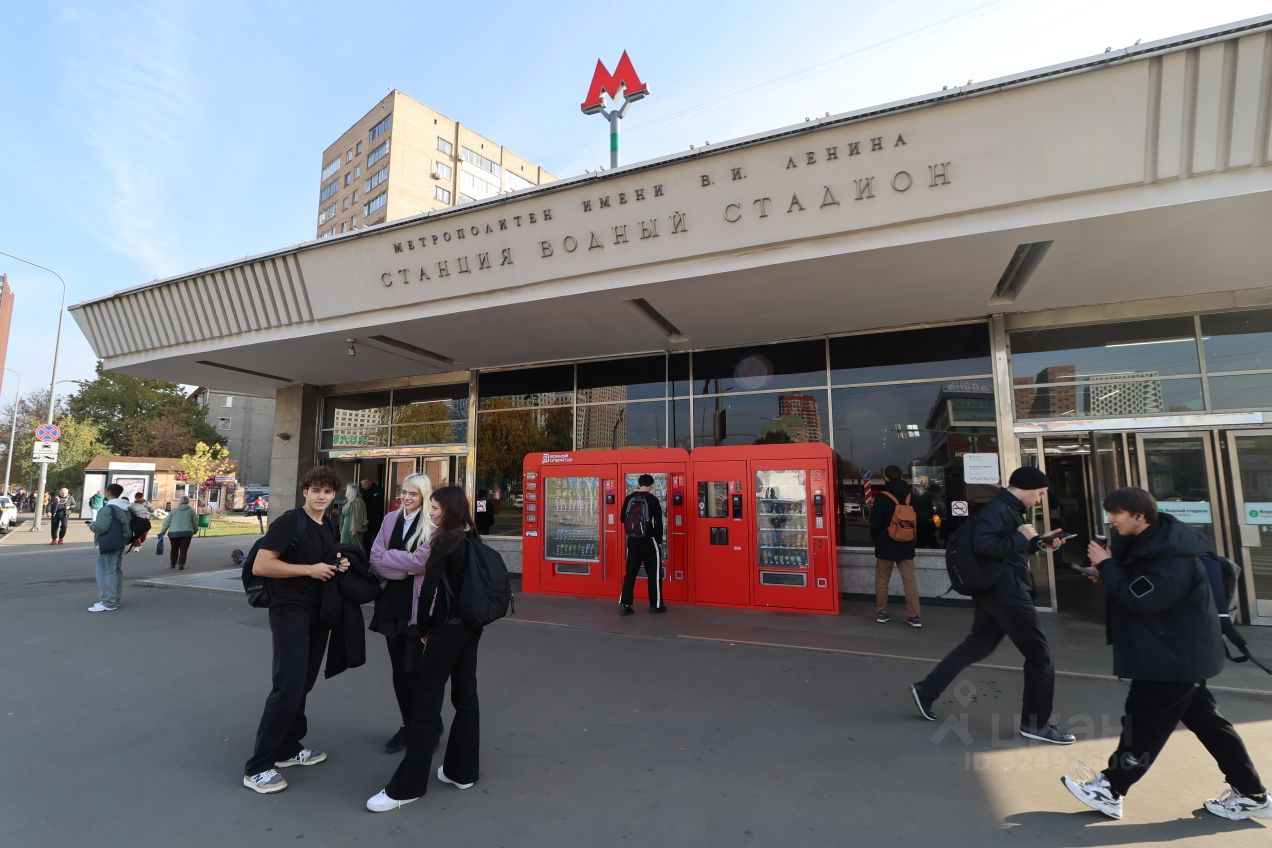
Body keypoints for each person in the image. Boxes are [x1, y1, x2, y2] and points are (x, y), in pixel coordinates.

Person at [1061, 487, 1270, 821]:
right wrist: (1108, 572)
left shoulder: (1173, 557)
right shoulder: (1153, 542)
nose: (1110, 520)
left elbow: (1142, 599)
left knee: (1143, 724)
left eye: (1116, 514)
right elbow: (1139, 584)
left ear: (1139, 516)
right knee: (1209, 724)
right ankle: (1251, 793)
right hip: (1176, 653)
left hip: (1172, 657)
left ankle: (1111, 788)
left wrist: (1108, 565)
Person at [911, 467, 1075, 744]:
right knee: (1040, 656)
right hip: (1007, 592)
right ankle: (1035, 724)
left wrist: (1039, 543)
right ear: (1024, 487)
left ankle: (926, 690)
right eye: (1039, 493)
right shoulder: (997, 510)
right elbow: (985, 547)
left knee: (977, 646)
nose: (1039, 499)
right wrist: (1020, 537)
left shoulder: (1008, 510)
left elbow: (1007, 551)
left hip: (997, 590)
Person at [367, 486, 482, 813]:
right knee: (466, 696)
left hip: (445, 630)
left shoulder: (442, 541)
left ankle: (407, 787)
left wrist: (425, 629)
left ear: (449, 510)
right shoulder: (471, 537)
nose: (431, 514)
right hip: (471, 627)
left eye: (435, 508)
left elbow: (428, 591)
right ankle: (463, 771)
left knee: (426, 702)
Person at [243, 466, 350, 795]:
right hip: (290, 611)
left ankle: (288, 747)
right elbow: (263, 564)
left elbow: (321, 560)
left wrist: (338, 564)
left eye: (328, 492)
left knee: (303, 683)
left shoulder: (328, 523)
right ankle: (258, 767)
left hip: (317, 612)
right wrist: (308, 570)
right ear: (305, 491)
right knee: (288, 686)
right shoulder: (290, 521)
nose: (322, 497)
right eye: (316, 490)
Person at [369, 473, 434, 754]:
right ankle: (409, 725)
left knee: (413, 670)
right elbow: (375, 558)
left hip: (418, 606)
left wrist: (394, 561)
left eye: (413, 494)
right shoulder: (389, 519)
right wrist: (403, 568)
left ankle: (428, 726)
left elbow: (423, 563)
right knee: (398, 670)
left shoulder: (432, 523)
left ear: (424, 496)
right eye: (404, 492)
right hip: (392, 603)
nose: (406, 498)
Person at [870, 465, 922, 627]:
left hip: (886, 545)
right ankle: (914, 616)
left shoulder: (882, 497)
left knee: (882, 580)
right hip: (906, 545)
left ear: (886, 478)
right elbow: (920, 519)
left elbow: (875, 523)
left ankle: (882, 613)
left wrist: (876, 539)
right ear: (901, 476)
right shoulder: (911, 496)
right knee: (909, 581)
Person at [618, 474, 666, 616]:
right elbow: (658, 523)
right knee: (654, 573)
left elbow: (622, 519)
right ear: (651, 485)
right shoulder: (652, 499)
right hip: (649, 540)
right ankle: (656, 605)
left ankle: (625, 604)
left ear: (639, 484)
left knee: (630, 573)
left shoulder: (629, 498)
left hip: (633, 541)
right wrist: (658, 541)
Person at [88, 484, 131, 613]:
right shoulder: (125, 507)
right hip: (120, 542)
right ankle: (114, 600)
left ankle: (108, 602)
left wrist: (92, 526)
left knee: (106, 572)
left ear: (107, 493)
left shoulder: (108, 509)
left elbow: (100, 527)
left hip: (108, 543)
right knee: (115, 571)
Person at [160, 496, 198, 570]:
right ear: (188, 501)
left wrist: (163, 532)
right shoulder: (191, 511)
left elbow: (167, 522)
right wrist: (195, 530)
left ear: (179, 501)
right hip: (186, 533)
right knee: (184, 549)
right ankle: (181, 564)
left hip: (173, 533)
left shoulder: (173, 510)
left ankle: (172, 563)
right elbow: (195, 522)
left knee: (174, 548)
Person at [361, 477, 385, 555]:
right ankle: (367, 556)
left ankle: (375, 555)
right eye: (362, 485)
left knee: (376, 539)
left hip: (377, 520)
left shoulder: (379, 490)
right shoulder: (362, 492)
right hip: (366, 520)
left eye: (365, 484)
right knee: (366, 540)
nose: (363, 486)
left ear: (370, 482)